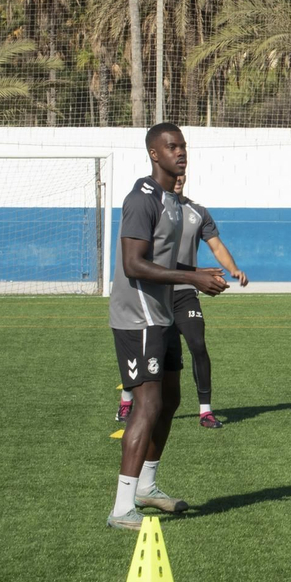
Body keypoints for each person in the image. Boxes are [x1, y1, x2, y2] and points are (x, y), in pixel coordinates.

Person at [106, 124, 228, 529]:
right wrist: (192, 279)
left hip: (163, 310)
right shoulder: (141, 199)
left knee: (172, 400)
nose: (181, 153)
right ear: (154, 154)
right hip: (138, 315)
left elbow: (167, 263)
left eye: (183, 146)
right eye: (171, 147)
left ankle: (146, 486)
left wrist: (200, 276)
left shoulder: (174, 202)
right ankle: (122, 508)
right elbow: (133, 264)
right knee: (149, 404)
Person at [118, 174, 247, 429]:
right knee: (148, 352)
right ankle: (126, 399)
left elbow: (216, 245)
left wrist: (233, 269)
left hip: (185, 291)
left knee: (198, 345)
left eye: (182, 175)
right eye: (173, 175)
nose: (178, 178)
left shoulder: (197, 212)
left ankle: (205, 411)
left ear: (185, 178)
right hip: (154, 292)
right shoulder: (152, 206)